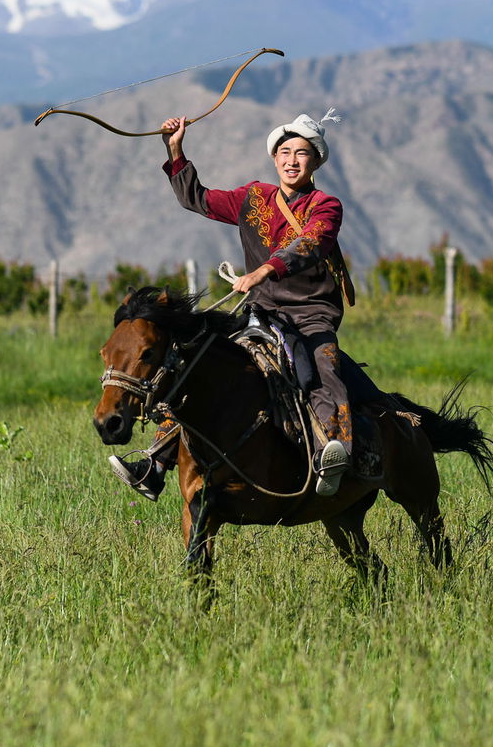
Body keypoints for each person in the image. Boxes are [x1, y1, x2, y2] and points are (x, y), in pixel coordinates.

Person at [108, 111, 355, 499]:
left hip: (310, 313)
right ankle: (155, 464)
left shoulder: (326, 205)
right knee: (196, 364)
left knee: (323, 366)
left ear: (316, 161)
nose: (292, 160)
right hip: (261, 312)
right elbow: (198, 199)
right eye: (285, 152)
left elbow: (310, 244)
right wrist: (176, 151)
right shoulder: (253, 198)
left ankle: (332, 455)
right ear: (274, 157)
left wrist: (264, 271)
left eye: (302, 153)